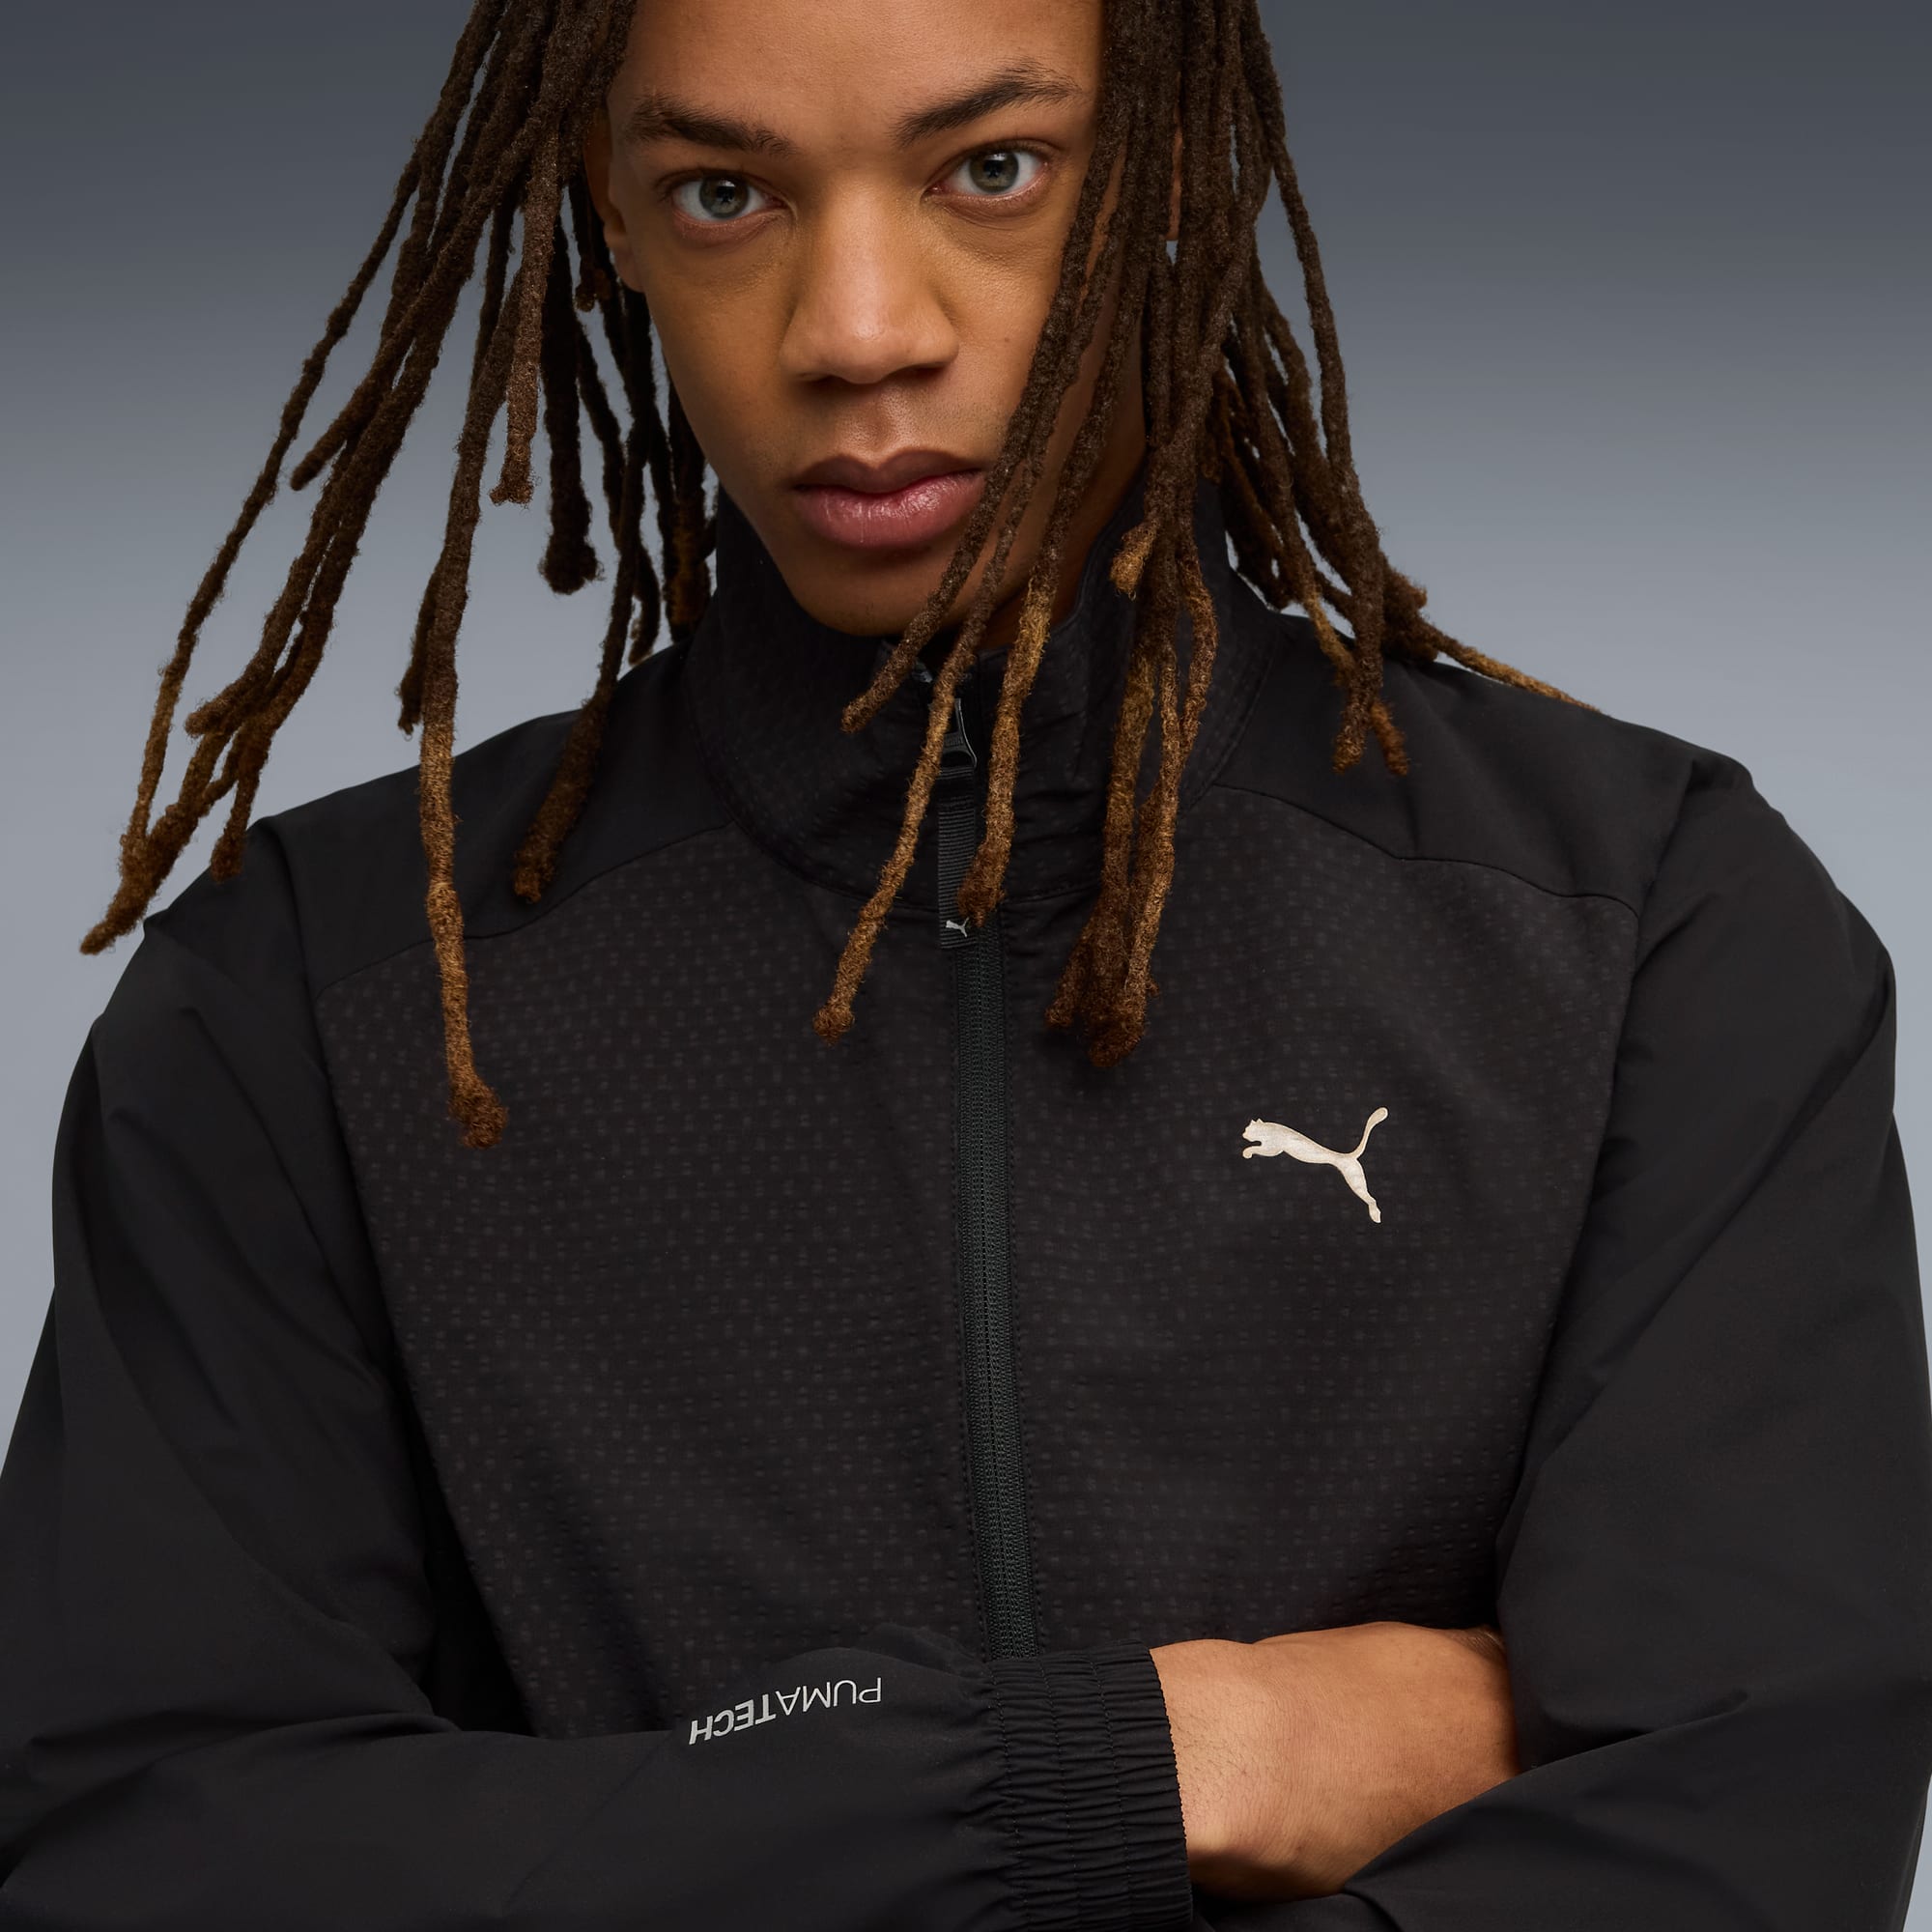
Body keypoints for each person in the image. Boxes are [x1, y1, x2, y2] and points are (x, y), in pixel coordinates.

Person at [2, 0, 1928, 1925]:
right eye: (726, 190)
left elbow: (1743, 1845)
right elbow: (142, 1850)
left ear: (1170, 172)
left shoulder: (1644, 924)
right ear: (610, 219)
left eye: (991, 170)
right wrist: (1145, 1765)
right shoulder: (312, 999)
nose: (856, 331)